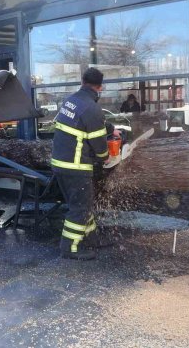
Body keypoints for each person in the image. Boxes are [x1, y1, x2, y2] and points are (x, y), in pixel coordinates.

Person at [51, 67, 115, 260]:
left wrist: (110, 128)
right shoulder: (92, 107)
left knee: (82, 204)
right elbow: (99, 144)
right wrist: (106, 157)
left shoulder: (70, 101)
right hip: (75, 166)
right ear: (100, 87)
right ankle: (70, 247)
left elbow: (82, 123)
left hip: (60, 163)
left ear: (82, 81)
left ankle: (90, 238)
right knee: (80, 207)